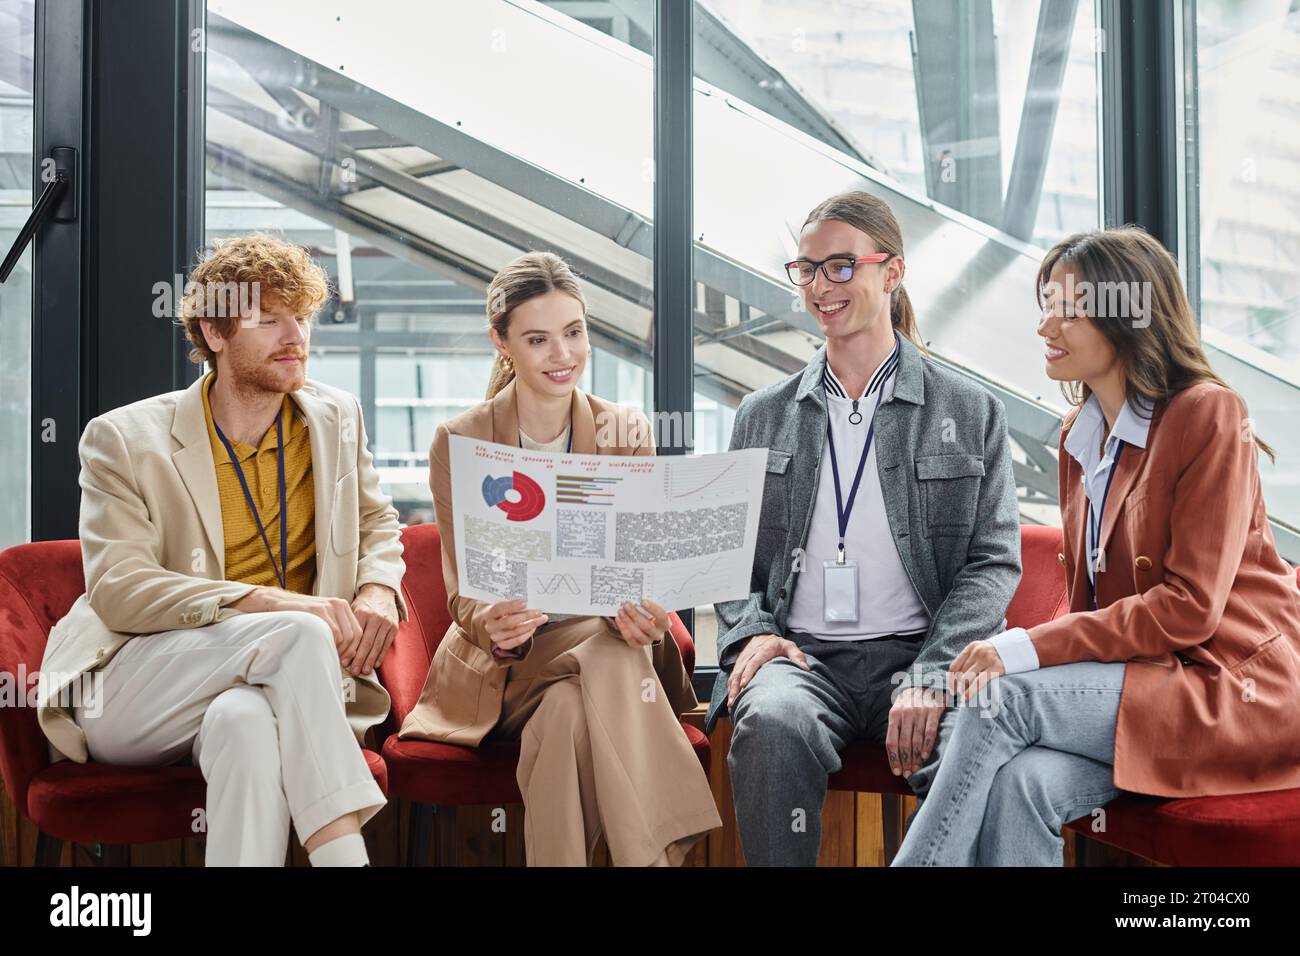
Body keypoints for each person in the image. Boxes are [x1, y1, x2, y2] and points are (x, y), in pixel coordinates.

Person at [893, 225, 1300, 867]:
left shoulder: (1208, 414)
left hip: (1227, 692)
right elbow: (1090, 607)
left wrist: (1020, 648)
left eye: (1066, 309)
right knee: (1018, 785)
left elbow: (1189, 608)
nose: (1044, 327)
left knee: (998, 704)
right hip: (1145, 690)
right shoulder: (1079, 439)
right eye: (1044, 307)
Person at [36, 233, 406, 866]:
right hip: (136, 681)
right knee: (296, 632)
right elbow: (121, 588)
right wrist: (270, 605)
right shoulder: (123, 439)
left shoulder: (336, 416)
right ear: (214, 332)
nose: (296, 337)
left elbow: (378, 525)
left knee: (245, 726)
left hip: (270, 683)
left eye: (303, 317)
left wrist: (376, 590)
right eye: (269, 320)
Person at [711, 190, 1021, 865]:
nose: (822, 286)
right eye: (808, 269)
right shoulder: (760, 415)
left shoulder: (971, 410)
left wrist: (934, 674)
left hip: (919, 651)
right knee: (769, 721)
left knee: (984, 732)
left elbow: (993, 564)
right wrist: (756, 634)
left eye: (842, 266)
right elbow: (729, 558)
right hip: (803, 660)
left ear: (893, 271)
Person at [398, 251, 721, 866]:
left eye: (574, 333)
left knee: (570, 709)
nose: (562, 355)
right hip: (508, 668)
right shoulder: (460, 439)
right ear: (502, 343)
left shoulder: (625, 430)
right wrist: (488, 621)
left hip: (597, 657)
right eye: (539, 339)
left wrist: (652, 617)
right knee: (606, 656)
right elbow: (463, 589)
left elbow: (640, 570)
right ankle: (656, 858)